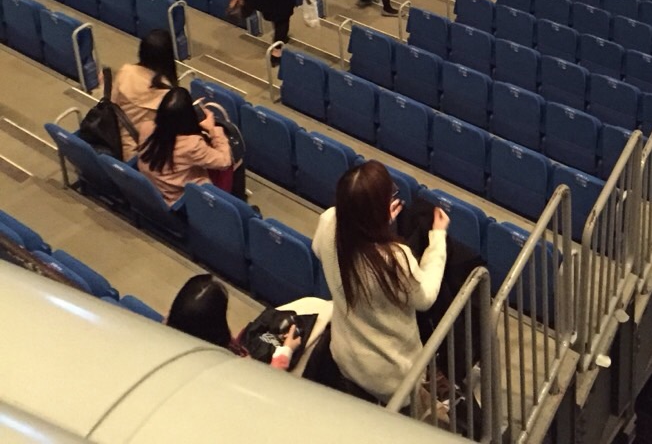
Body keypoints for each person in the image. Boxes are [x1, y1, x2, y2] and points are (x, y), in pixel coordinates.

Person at [311, 161, 449, 407]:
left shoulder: (328, 221)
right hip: (392, 378)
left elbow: (321, 248)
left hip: (346, 357)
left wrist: (378, 224)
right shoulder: (393, 258)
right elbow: (425, 297)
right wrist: (438, 238)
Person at [166, 274, 304, 370]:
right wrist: (286, 350)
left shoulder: (166, 332)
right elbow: (265, 381)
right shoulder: (225, 363)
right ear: (216, 323)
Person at [138, 88, 234, 207]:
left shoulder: (145, 127)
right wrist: (212, 129)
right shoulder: (191, 145)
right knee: (230, 157)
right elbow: (225, 161)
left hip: (156, 190)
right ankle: (232, 199)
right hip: (180, 199)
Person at [112, 29, 179, 162]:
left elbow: (111, 105)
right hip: (141, 157)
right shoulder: (168, 95)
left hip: (113, 142)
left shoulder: (126, 71)